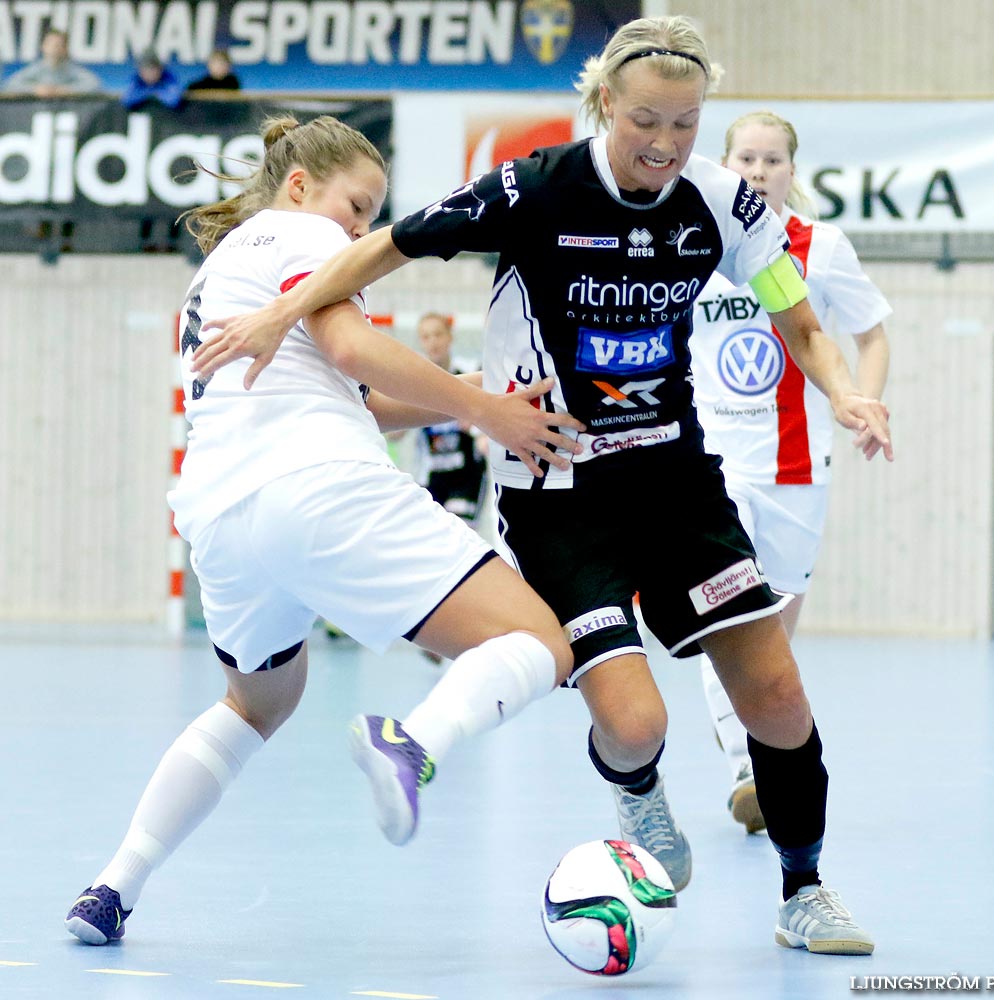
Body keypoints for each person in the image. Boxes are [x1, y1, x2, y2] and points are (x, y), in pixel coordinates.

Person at [190, 16, 892, 956]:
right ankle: (637, 794)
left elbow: (799, 320)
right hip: (559, 488)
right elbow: (383, 246)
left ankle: (804, 890)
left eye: (686, 124)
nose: (666, 143)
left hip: (677, 478)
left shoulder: (724, 203)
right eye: (648, 119)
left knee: (776, 696)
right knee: (636, 725)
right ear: (606, 103)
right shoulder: (532, 187)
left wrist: (845, 389)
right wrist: (283, 310)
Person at [64, 114, 584, 946]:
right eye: (357, 205)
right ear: (302, 185)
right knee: (539, 642)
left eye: (375, 214)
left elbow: (362, 399)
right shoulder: (302, 233)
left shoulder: (225, 267)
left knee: (257, 701)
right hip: (315, 485)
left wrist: (478, 404)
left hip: (221, 520)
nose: (363, 230)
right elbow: (350, 350)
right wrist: (487, 408)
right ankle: (411, 742)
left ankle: (112, 886)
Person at [690, 110, 891, 835]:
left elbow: (869, 333)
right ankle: (750, 766)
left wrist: (863, 398)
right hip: (711, 460)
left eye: (773, 161)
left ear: (792, 171)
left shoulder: (822, 247)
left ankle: (755, 747)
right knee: (724, 614)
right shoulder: (695, 240)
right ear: (725, 162)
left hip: (798, 466)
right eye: (746, 158)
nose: (758, 172)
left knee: (770, 635)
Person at [411, 312, 489, 524]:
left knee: (459, 536)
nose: (433, 342)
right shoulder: (416, 381)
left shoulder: (471, 372)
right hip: (431, 478)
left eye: (438, 334)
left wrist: (480, 428)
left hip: (466, 475)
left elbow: (490, 416)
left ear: (449, 337)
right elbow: (394, 436)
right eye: (426, 337)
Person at [1, 28, 101, 96]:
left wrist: (65, 90)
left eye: (58, 45)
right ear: (43, 46)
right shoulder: (35, 68)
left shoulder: (71, 69)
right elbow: (10, 85)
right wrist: (35, 89)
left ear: (65, 48)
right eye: (51, 44)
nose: (54, 49)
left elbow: (93, 84)